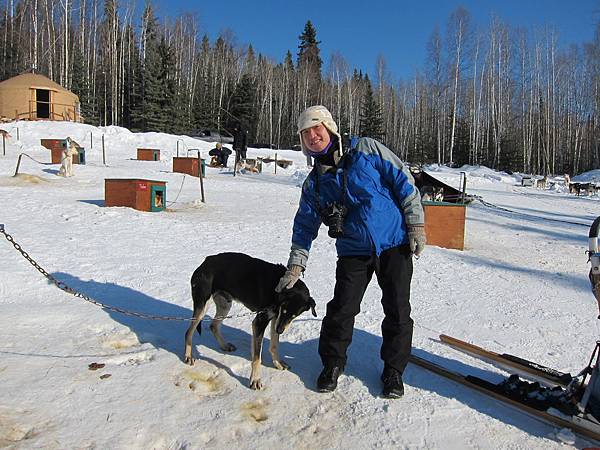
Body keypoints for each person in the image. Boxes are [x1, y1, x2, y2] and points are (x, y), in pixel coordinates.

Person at [275, 105, 426, 398]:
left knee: (397, 309)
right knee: (342, 309)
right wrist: (296, 265)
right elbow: (304, 224)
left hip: (394, 243)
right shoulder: (315, 183)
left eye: (316, 128)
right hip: (352, 250)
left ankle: (393, 371)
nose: (312, 136)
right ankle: (332, 364)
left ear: (329, 127)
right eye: (305, 133)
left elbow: (402, 179)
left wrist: (416, 223)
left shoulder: (366, 149)